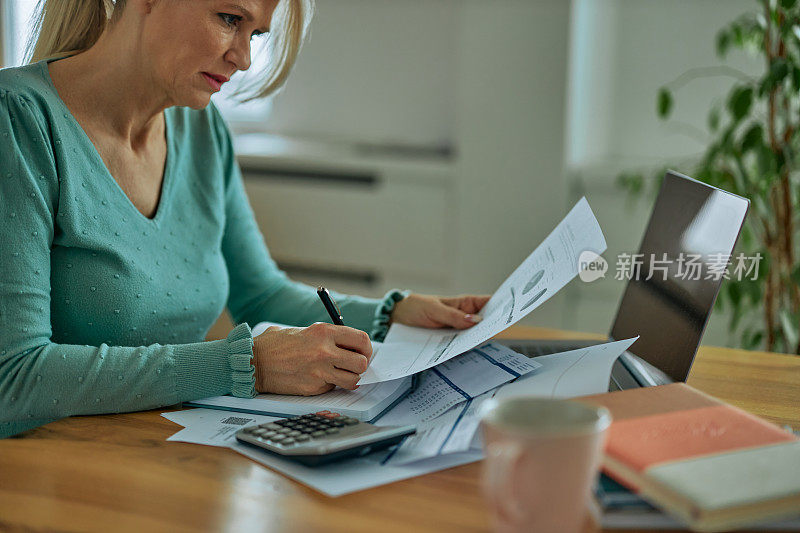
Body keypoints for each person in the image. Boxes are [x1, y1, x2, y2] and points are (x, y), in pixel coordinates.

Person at [0, 0, 489, 439]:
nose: (245, 58)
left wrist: (393, 313)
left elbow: (261, 294)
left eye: (255, 34)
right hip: (47, 475)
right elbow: (14, 376)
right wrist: (247, 365)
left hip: (154, 453)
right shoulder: (16, 120)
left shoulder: (201, 127)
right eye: (229, 19)